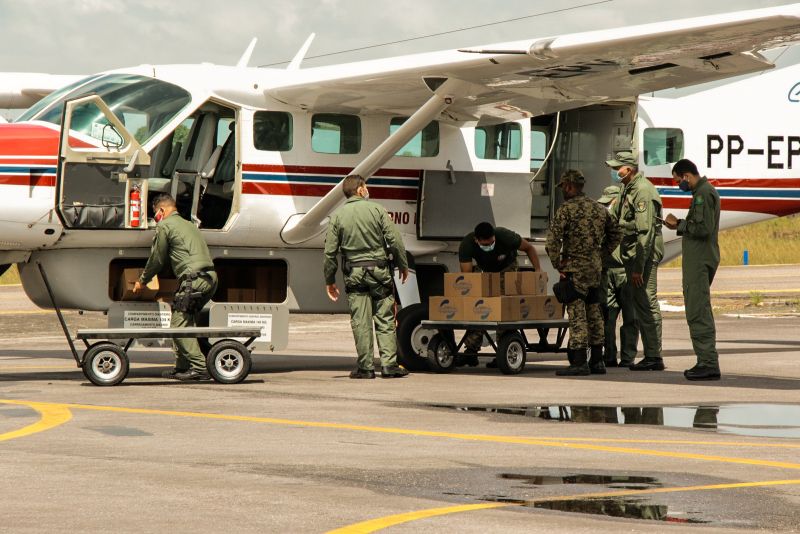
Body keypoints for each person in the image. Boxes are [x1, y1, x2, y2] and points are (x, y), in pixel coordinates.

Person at [323, 174, 410, 379]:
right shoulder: (378, 210)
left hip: (354, 274)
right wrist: (402, 265)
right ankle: (389, 366)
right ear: (361, 190)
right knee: (385, 318)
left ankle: (366, 368)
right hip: (380, 273)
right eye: (366, 187)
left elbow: (329, 253)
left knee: (360, 321)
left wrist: (329, 280)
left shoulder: (337, 216)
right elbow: (395, 241)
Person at [133, 193, 218, 381]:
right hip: (209, 278)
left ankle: (199, 368)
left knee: (178, 325)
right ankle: (182, 366)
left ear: (161, 210)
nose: (156, 218)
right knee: (184, 320)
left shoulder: (165, 225)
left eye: (155, 213)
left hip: (193, 280)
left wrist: (142, 280)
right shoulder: (189, 224)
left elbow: (157, 258)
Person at [546, 170, 622, 376]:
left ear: (570, 186)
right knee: (595, 312)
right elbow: (616, 234)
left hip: (575, 269)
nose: (563, 191)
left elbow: (552, 241)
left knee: (577, 314)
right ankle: (597, 361)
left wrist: (558, 265)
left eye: (563, 187)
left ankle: (579, 361)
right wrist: (600, 254)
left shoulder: (566, 210)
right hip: (594, 270)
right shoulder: (599, 208)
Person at [606, 150, 665, 371]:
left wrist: (639, 268)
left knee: (647, 303)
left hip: (643, 258)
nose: (614, 171)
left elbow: (645, 234)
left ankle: (654, 356)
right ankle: (652, 355)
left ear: (629, 169)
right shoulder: (626, 188)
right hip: (631, 256)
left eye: (617, 168)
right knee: (641, 304)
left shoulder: (642, 192)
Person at [664, 159, 721, 381]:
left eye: (679, 180)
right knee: (698, 308)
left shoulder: (702, 194)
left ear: (686, 176)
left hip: (699, 261)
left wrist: (677, 224)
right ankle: (705, 360)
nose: (679, 184)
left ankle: (707, 362)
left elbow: (702, 228)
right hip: (700, 259)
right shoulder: (703, 192)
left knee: (698, 310)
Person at [458, 222, 542, 367]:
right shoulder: (467, 244)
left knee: (504, 306)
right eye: (484, 244)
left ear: (494, 237)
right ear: (476, 240)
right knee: (477, 306)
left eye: (491, 243)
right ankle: (471, 351)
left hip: (507, 268)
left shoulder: (505, 236)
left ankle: (503, 350)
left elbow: (529, 248)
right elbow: (467, 274)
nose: (488, 246)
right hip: (485, 270)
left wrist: (538, 269)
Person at [597, 185, 639, 367]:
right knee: (608, 317)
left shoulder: (629, 219)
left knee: (630, 317)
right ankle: (610, 355)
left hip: (626, 272)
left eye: (609, 203)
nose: (607, 208)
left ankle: (628, 356)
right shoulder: (603, 221)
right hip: (608, 272)